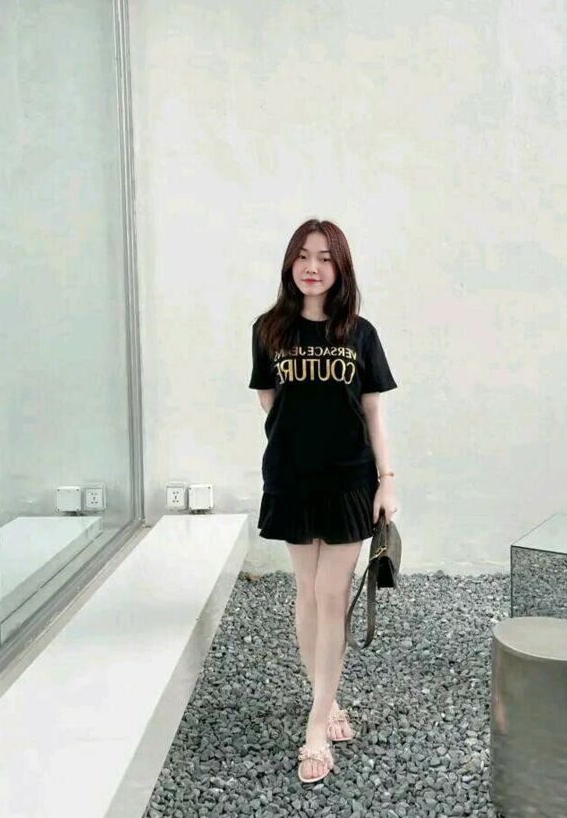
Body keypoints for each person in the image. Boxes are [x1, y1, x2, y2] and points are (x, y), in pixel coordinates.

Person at [248, 218, 398, 784]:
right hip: (290, 479)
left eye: (325, 258)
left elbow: (373, 410)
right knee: (307, 593)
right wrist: (301, 440)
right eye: (303, 256)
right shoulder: (269, 330)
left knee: (332, 595)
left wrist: (386, 479)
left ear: (341, 268)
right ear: (291, 263)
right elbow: (270, 400)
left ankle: (315, 728)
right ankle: (327, 700)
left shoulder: (360, 333)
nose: (313, 267)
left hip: (349, 481)